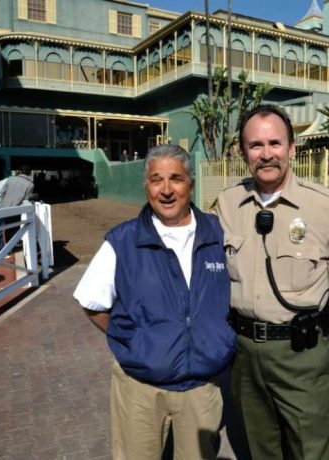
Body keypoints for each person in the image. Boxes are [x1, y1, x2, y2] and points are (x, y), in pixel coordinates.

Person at [214, 105, 329, 460]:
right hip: (243, 353)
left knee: (309, 449)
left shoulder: (324, 206)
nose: (266, 153)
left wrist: (325, 311)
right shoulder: (226, 204)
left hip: (300, 354)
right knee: (257, 449)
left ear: (291, 149)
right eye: (255, 145)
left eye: (274, 143)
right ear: (243, 152)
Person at [73, 144, 236, 460]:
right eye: (155, 179)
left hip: (202, 387)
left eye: (175, 178)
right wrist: (138, 342)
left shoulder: (218, 233)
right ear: (145, 185)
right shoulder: (123, 240)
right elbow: (92, 303)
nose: (166, 190)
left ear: (190, 183)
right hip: (140, 389)